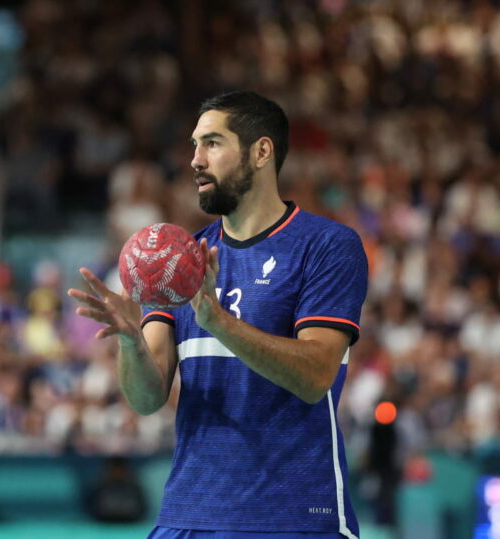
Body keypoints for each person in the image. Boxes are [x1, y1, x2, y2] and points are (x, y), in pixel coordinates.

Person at [69, 91, 368, 538]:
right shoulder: (176, 262)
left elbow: (315, 376)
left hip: (293, 519)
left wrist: (217, 321)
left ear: (261, 152)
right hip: (188, 516)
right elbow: (146, 399)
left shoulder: (326, 246)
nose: (194, 160)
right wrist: (131, 343)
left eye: (212, 143)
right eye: (194, 145)